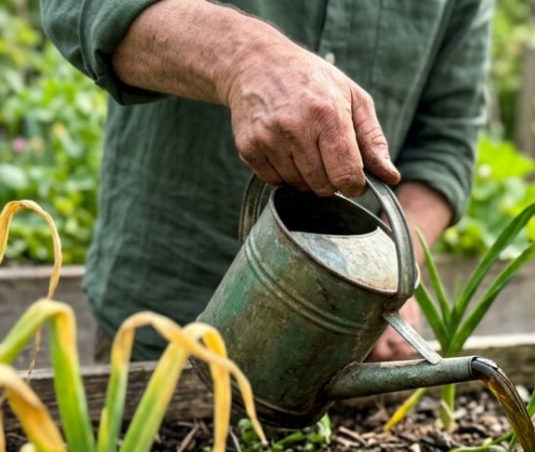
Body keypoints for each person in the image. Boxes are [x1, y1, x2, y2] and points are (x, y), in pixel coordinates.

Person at [40, 0, 493, 360]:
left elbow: (445, 143)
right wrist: (245, 58)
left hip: (336, 348)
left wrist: (386, 274)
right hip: (164, 322)